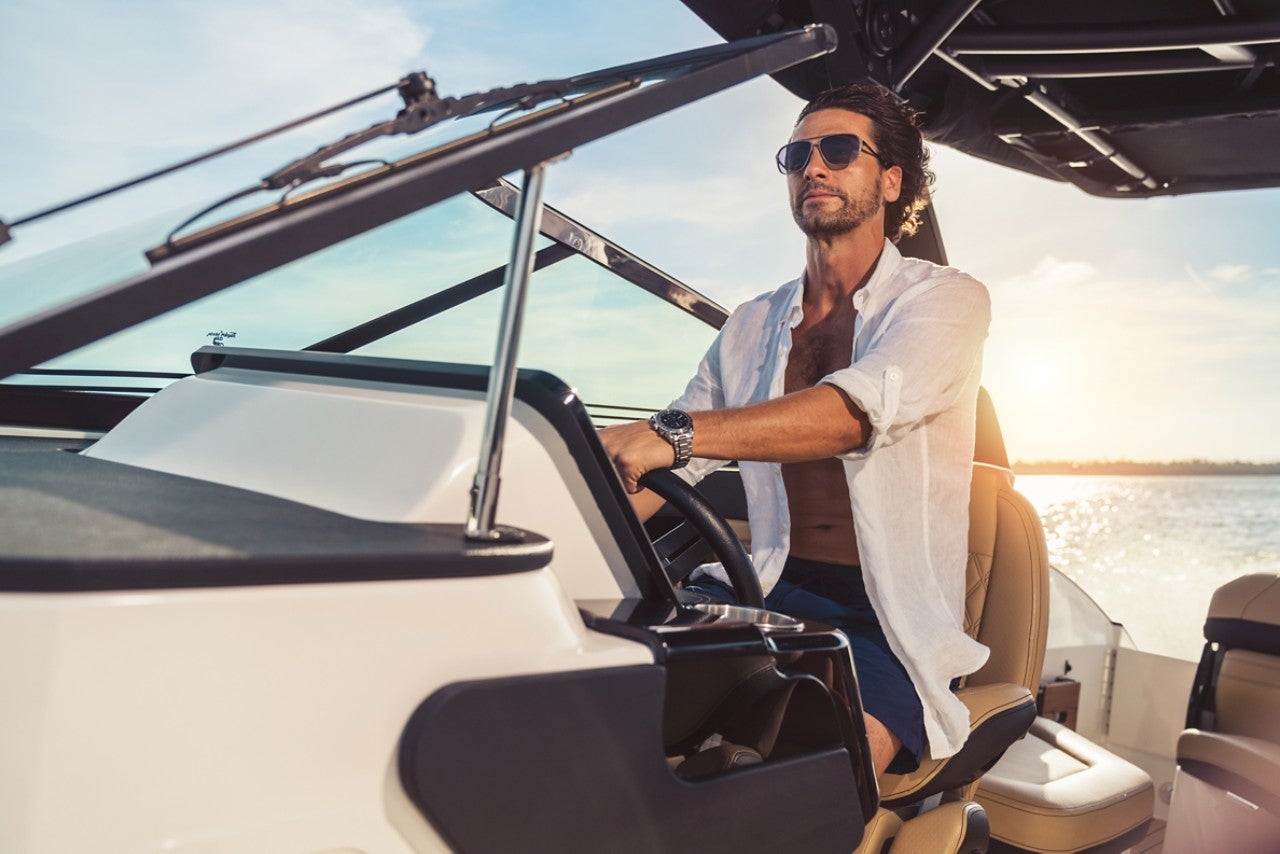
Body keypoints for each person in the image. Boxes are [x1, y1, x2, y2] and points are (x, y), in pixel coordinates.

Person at [599, 82, 991, 776]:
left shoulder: (945, 299)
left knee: (796, 797)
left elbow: (851, 413)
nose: (814, 167)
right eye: (797, 154)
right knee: (595, 715)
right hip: (758, 587)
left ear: (892, 180)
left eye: (840, 150)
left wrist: (675, 434)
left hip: (883, 619)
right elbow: (669, 467)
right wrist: (563, 517)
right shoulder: (750, 323)